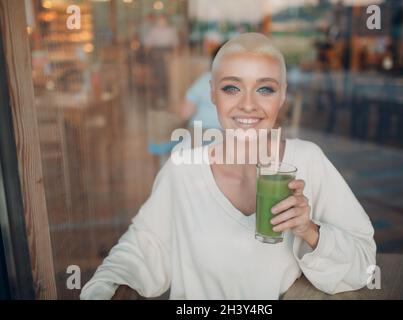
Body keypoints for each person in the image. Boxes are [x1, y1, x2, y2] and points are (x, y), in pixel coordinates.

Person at [80, 33, 376, 300]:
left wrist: (310, 230)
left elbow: (363, 266)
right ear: (212, 94)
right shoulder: (183, 168)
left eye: (265, 90)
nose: (248, 105)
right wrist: (106, 289)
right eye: (232, 88)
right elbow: (143, 248)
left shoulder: (308, 161)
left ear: (283, 95)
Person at [176, 45, 223, 131]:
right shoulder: (245, 84)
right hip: (230, 135)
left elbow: (185, 113)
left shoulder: (205, 80)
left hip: (200, 131)